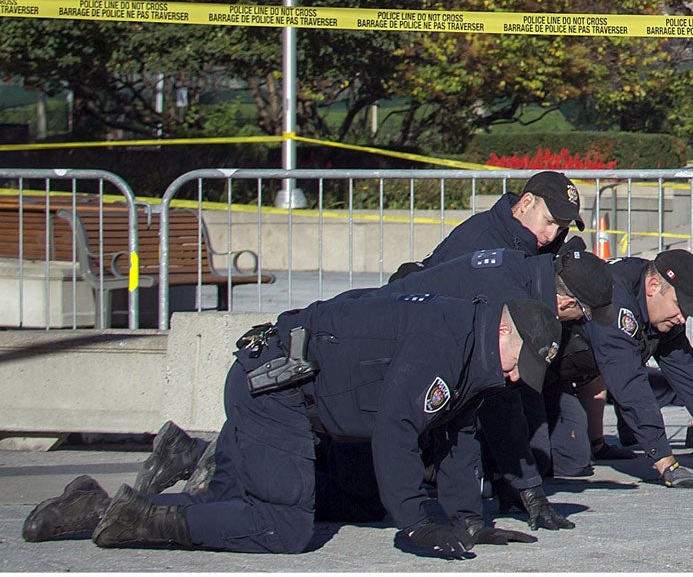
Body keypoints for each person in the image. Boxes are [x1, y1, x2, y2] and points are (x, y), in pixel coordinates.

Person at [23, 292, 561, 556]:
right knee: (280, 527)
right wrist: (417, 525)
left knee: (227, 511)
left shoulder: (477, 352)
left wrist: (467, 519)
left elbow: (457, 431)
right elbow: (398, 428)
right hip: (276, 389)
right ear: (505, 330)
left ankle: (93, 508)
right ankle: (141, 525)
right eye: (522, 362)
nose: (517, 378)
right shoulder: (446, 337)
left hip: (287, 391)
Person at [367, 243, 615, 531]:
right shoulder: (510, 300)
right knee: (359, 500)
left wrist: (525, 487)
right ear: (566, 303)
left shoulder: (526, 276)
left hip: (406, 366)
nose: (581, 324)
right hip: (372, 364)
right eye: (584, 315)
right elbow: (501, 404)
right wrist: (529, 489)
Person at [579, 248, 693, 486]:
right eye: (680, 306)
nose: (682, 319)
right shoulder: (614, 299)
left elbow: (687, 373)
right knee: (565, 462)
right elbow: (630, 386)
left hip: (587, 368)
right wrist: (667, 465)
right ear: (654, 286)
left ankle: (591, 444)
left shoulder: (664, 310)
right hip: (546, 376)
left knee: (573, 454)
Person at [420, 170, 585, 268]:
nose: (551, 235)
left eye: (561, 229)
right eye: (548, 221)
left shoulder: (542, 245)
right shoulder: (476, 242)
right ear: (526, 202)